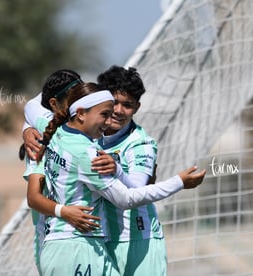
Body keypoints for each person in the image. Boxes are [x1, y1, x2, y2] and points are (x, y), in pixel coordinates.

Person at [35, 82, 206, 276]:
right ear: (81, 113)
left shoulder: (56, 134)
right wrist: (179, 182)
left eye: (126, 105)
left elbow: (33, 108)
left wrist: (26, 129)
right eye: (105, 114)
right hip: (77, 248)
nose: (110, 121)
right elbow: (127, 199)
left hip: (63, 246)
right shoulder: (87, 153)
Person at [21, 69, 104, 273]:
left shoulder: (90, 134)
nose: (78, 109)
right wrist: (64, 211)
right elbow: (34, 197)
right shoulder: (43, 142)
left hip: (94, 240)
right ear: (53, 105)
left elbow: (32, 106)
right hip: (54, 240)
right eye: (72, 103)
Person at [93, 65, 168, 275]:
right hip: (101, 242)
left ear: (137, 107)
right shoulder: (87, 136)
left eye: (127, 105)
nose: (118, 110)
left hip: (138, 242)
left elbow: (135, 191)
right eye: (114, 102)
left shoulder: (141, 144)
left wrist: (116, 169)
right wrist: (28, 130)